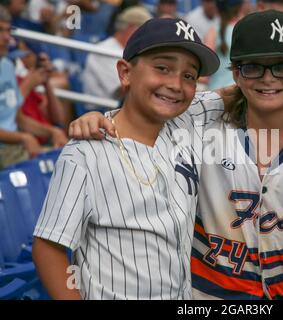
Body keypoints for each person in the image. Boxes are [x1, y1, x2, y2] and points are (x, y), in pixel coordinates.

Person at [70, 11, 283, 300]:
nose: (268, 79)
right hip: (206, 295)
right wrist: (102, 118)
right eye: (253, 67)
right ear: (236, 74)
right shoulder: (200, 124)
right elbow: (148, 108)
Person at [32, 17, 220, 300]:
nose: (176, 84)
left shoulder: (185, 123)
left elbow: (244, 93)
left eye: (189, 76)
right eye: (162, 68)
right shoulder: (85, 152)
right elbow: (49, 247)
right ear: (125, 73)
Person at [0, 6, 67, 169]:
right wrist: (23, 137)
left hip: (14, 147)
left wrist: (52, 131)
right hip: (7, 150)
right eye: (0, 31)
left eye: (9, 31)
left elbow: (18, 119)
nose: (7, 38)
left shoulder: (7, 66)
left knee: (67, 159)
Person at [82, 6, 152, 113]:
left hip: (121, 107)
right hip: (101, 112)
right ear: (131, 28)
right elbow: (122, 89)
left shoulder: (129, 50)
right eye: (143, 31)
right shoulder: (103, 50)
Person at [204, 0, 244, 90]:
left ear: (217, 8)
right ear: (241, 7)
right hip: (239, 92)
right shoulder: (246, 30)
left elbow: (203, 75)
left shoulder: (213, 31)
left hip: (216, 92)